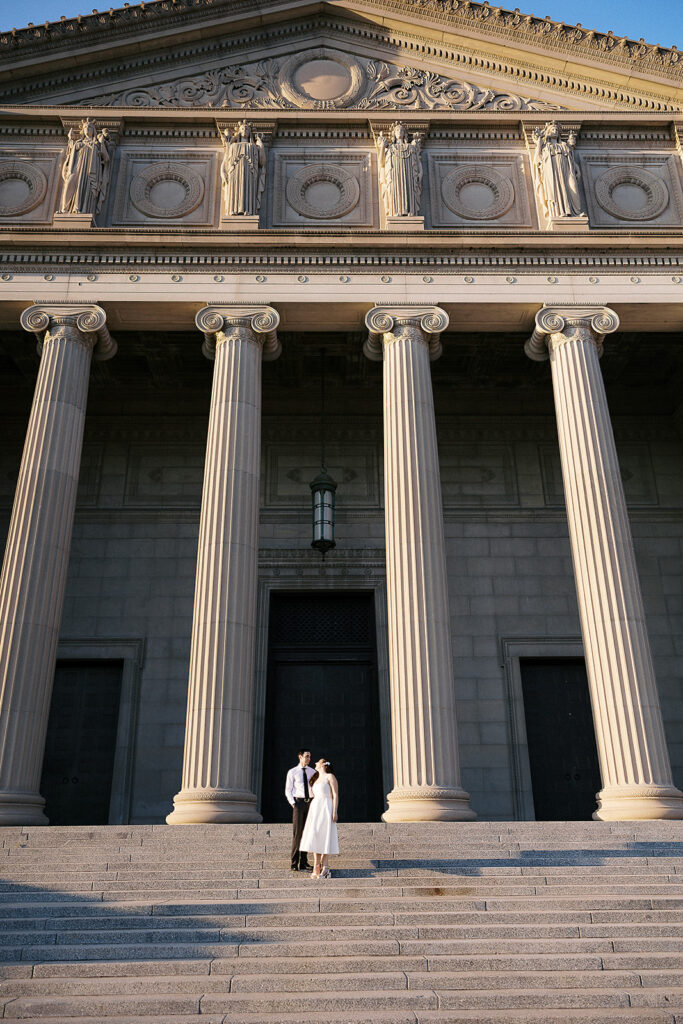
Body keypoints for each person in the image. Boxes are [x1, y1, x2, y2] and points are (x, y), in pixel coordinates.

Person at [299, 757, 339, 879]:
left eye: (318, 762)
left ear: (323, 765)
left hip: (326, 806)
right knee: (315, 835)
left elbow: (336, 794)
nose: (315, 763)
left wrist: (335, 811)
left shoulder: (330, 776)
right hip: (315, 807)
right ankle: (317, 865)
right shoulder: (315, 778)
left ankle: (325, 866)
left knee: (325, 834)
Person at [285, 749, 315, 871]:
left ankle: (304, 862)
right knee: (297, 834)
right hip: (298, 803)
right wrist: (293, 803)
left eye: (310, 756)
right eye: (307, 756)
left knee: (308, 833)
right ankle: (294, 863)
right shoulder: (292, 772)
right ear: (300, 756)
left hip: (311, 803)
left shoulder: (313, 772)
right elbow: (288, 790)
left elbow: (315, 788)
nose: (309, 758)